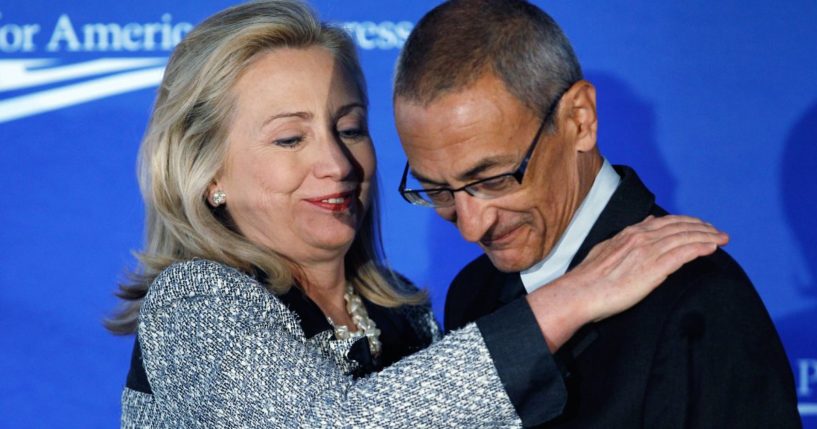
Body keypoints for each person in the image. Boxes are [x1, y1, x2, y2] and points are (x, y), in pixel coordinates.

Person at [107, 1, 728, 427]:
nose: (337, 163)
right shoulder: (194, 302)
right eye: (289, 139)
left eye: (349, 128)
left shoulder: (406, 311)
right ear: (207, 172)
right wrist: (572, 297)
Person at [393, 0, 801, 428]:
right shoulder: (472, 293)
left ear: (580, 120)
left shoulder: (702, 304)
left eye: (495, 179)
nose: (472, 227)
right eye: (437, 190)